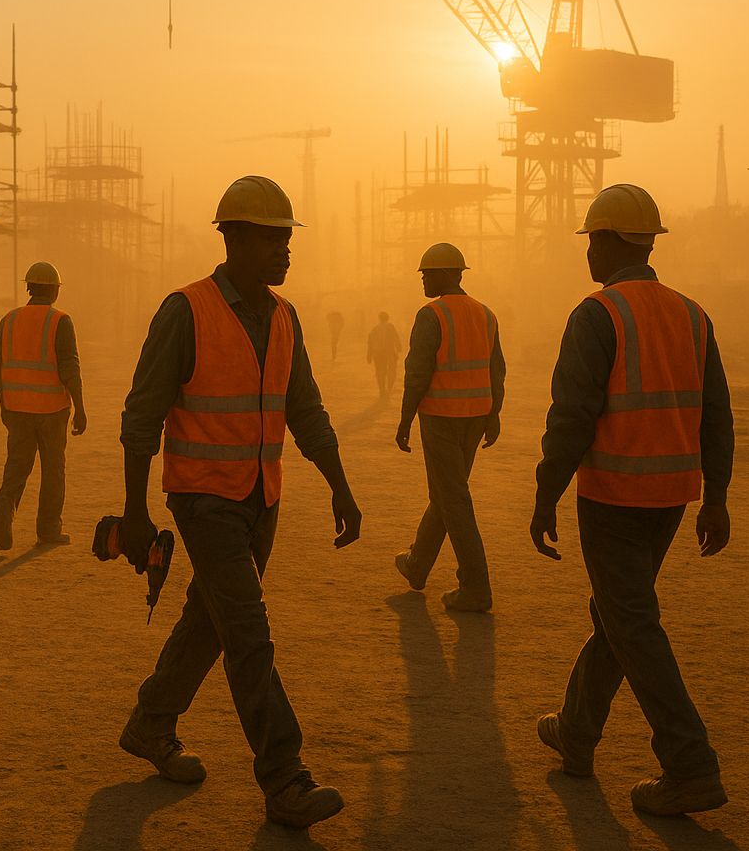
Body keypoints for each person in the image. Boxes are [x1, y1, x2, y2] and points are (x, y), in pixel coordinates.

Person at [115, 175, 363, 830]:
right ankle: (285, 779)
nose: (286, 250)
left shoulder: (284, 316)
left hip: (261, 498)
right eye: (273, 238)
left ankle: (152, 721)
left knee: (212, 620)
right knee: (249, 633)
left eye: (288, 237)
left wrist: (341, 484)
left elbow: (304, 409)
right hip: (202, 503)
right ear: (235, 239)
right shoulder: (185, 311)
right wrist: (135, 511)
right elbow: (141, 416)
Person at [529, 183, 733, 818]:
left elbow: (572, 417)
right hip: (670, 496)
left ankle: (689, 764)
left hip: (615, 496)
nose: (587, 252)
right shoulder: (692, 313)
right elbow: (718, 416)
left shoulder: (598, 314)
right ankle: (577, 731)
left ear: (611, 242)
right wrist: (716, 498)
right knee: (620, 616)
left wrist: (545, 494)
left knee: (632, 624)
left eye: (592, 239)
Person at [392, 242, 504, 612]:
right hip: (474, 418)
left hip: (441, 417)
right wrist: (493, 414)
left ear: (445, 274)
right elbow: (496, 370)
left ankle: (476, 587)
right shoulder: (485, 314)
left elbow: (417, 373)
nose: (422, 279)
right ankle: (417, 564)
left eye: (426, 273)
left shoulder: (432, 314)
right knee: (446, 495)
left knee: (454, 500)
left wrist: (406, 418)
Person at [0, 260, 86, 549]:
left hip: (17, 408)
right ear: (55, 291)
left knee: (17, 467)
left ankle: (5, 512)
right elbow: (70, 367)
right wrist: (80, 408)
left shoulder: (8, 320)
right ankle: (48, 530)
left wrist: (5, 405)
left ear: (29, 288)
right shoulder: (60, 321)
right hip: (52, 410)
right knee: (53, 471)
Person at [366, 311, 402, 398]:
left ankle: (382, 389)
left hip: (378, 353)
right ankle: (388, 389)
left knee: (380, 372)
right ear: (387, 318)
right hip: (389, 353)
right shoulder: (390, 327)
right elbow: (396, 338)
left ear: (379, 318)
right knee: (391, 371)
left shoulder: (375, 329)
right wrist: (398, 348)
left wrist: (369, 355)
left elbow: (370, 342)